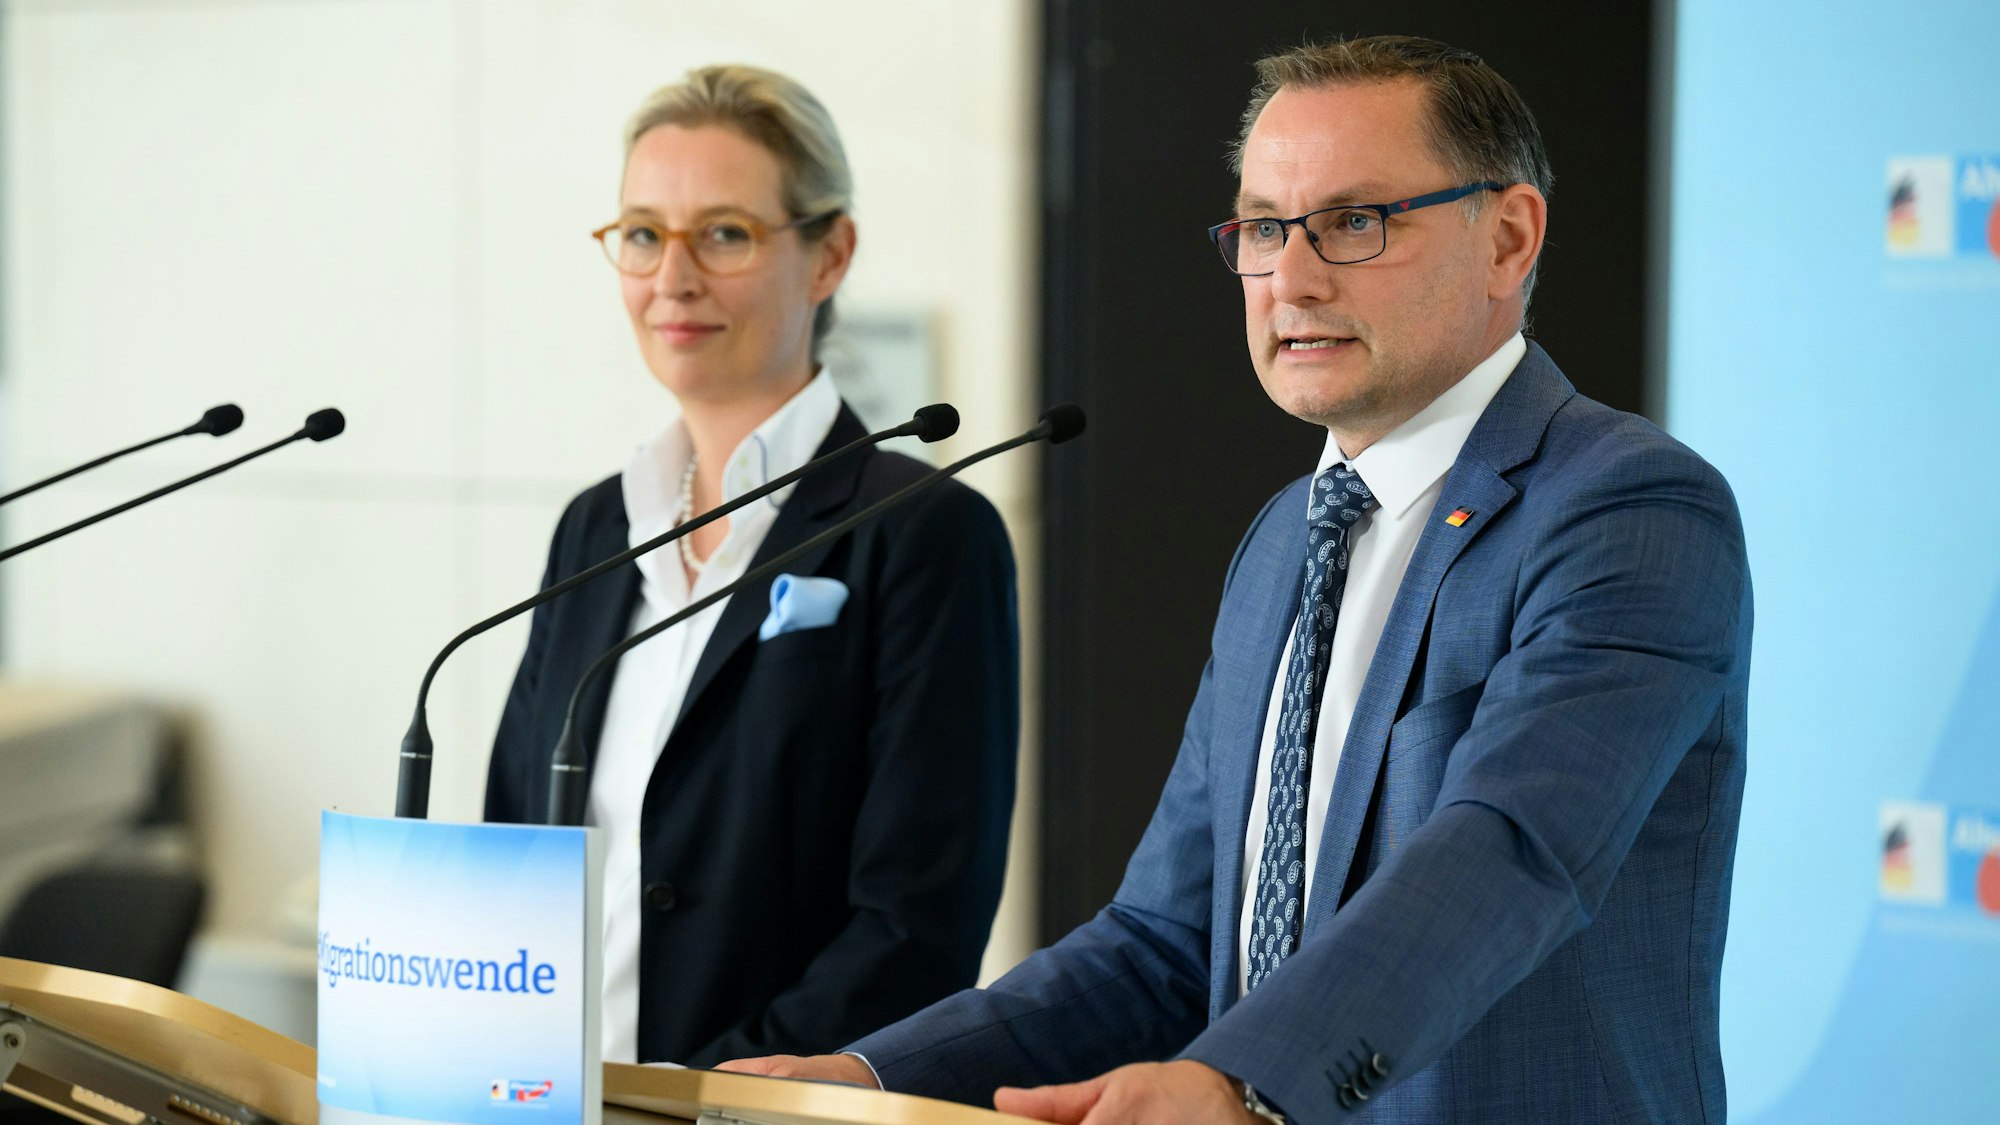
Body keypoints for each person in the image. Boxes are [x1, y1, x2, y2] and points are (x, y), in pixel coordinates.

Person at [721, 35, 1751, 1124]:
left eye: (1354, 222)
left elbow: (1507, 849)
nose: (1291, 279)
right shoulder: (1283, 541)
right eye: (1264, 228)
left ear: (1505, 238)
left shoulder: (1627, 508)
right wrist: (868, 1080)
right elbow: (1163, 942)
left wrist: (1243, 1083)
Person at [483, 65, 1019, 1068]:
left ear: (829, 255)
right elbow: (514, 844)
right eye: (643, 233)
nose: (671, 277)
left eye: (723, 233)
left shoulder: (921, 533)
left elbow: (918, 925)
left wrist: (701, 1101)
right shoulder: (594, 529)